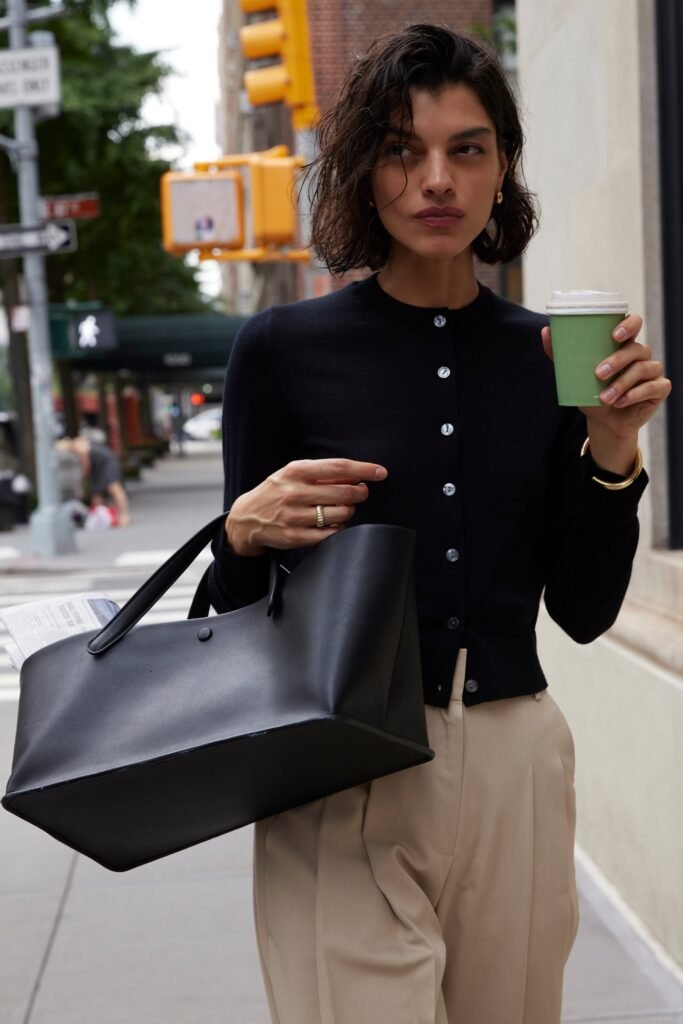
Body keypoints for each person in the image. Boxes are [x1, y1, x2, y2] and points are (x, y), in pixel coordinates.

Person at [207, 24, 671, 1024]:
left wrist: (612, 450)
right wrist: (239, 533)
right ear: (362, 174)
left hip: (512, 760)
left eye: (465, 149)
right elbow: (232, 615)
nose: (434, 179)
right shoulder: (281, 351)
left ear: (500, 170)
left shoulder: (541, 357)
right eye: (400, 150)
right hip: (338, 756)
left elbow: (584, 611)